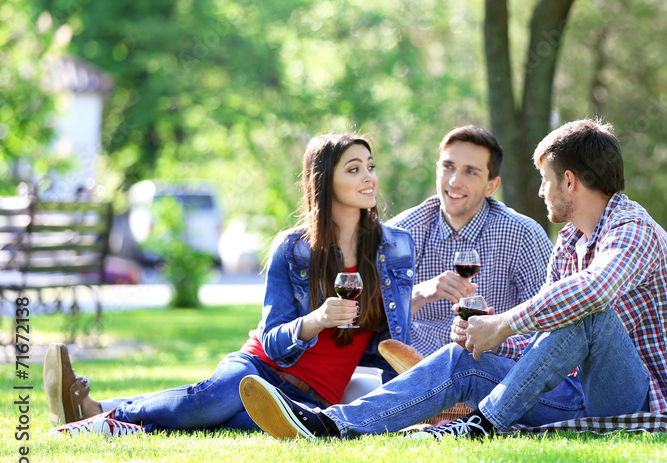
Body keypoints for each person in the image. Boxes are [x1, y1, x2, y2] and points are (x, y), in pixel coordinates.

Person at [238, 118, 667, 440]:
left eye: (546, 180)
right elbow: (547, 345)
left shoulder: (632, 229)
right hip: (578, 395)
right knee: (461, 359)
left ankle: (480, 425)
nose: (541, 191)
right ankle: (330, 425)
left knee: (591, 315)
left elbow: (592, 294)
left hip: (651, 399)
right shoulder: (570, 241)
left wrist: (503, 323)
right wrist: (486, 337)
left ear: (570, 181)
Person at [45, 133, 416, 435]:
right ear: (325, 181)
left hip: (310, 400)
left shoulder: (395, 247)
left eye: (370, 167)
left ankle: (101, 414)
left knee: (223, 424)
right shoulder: (293, 248)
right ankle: (98, 415)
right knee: (206, 406)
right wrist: (316, 320)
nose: (369, 178)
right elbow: (272, 339)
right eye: (354, 169)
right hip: (260, 369)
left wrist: (408, 407)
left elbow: (393, 341)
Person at [388, 125, 552, 356]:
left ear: (491, 186)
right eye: (448, 167)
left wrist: (494, 340)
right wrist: (418, 294)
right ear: (437, 170)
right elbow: (369, 322)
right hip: (412, 365)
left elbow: (546, 325)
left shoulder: (523, 235)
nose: (455, 181)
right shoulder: (400, 233)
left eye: (471, 172)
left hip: (489, 366)